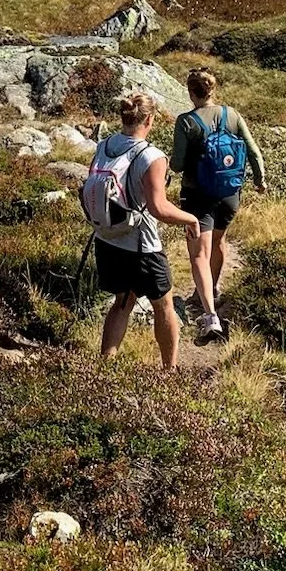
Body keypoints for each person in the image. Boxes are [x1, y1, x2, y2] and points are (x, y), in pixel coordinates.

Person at [91, 89, 207, 369]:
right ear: (150, 120)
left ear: (124, 117)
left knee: (122, 302)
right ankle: (169, 372)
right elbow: (158, 208)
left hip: (107, 239)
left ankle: (104, 369)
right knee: (164, 306)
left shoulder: (104, 145)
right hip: (142, 246)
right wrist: (190, 219)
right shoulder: (151, 156)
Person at [170, 66, 267, 339]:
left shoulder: (186, 122)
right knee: (219, 242)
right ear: (213, 89)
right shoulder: (232, 114)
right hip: (229, 194)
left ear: (191, 93)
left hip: (197, 194)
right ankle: (211, 290)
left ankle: (210, 316)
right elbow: (253, 151)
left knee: (198, 253)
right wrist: (260, 181)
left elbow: (177, 164)